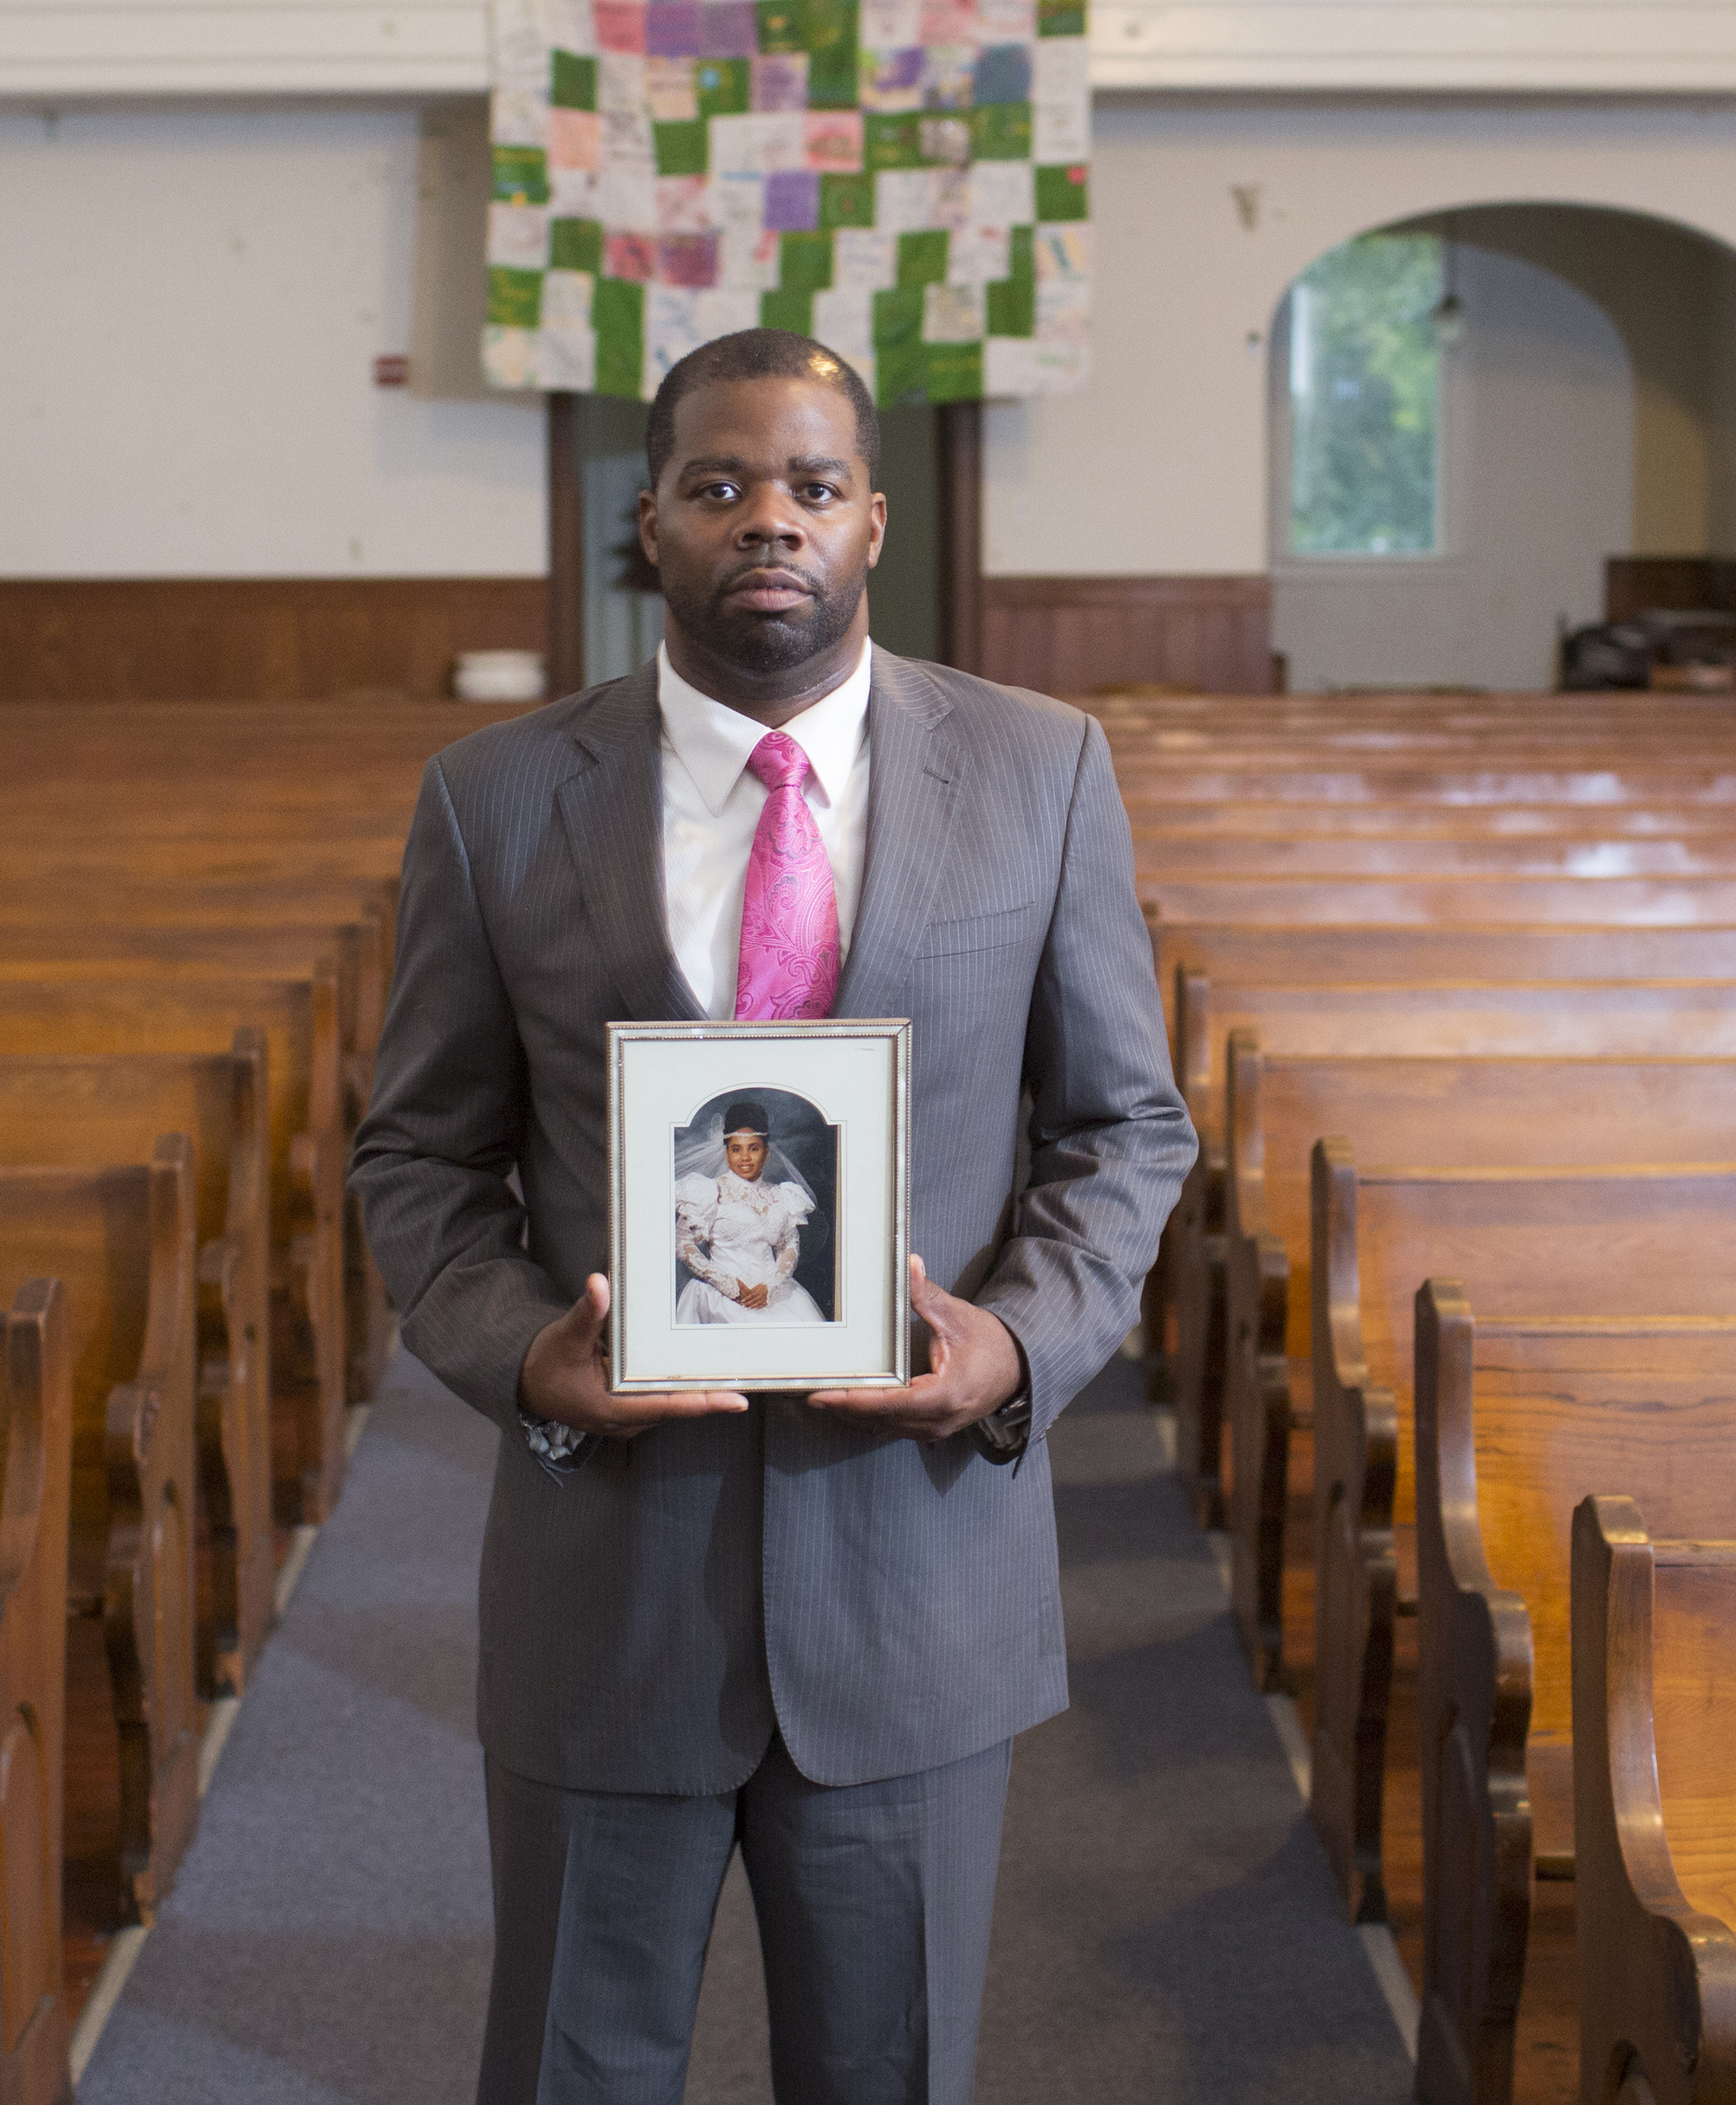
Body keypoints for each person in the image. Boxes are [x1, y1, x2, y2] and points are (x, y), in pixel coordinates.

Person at [350, 327, 1195, 2105]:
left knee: (884, 2078)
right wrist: (525, 1356)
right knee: (576, 2069)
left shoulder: (1040, 772)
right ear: (646, 520)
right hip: (614, 1583)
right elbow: (416, 1158)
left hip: (912, 1578)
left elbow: (1125, 1126)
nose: (768, 522)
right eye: (718, 487)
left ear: (873, 520)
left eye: (811, 486)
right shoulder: (497, 799)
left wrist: (1018, 1337)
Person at [675, 1098, 823, 1324]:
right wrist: (725, 1283)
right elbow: (683, 1244)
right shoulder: (709, 1192)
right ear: (726, 1153)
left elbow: (788, 1245)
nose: (745, 1157)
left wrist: (771, 1286)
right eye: (736, 1149)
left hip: (772, 1292)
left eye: (753, 1148)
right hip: (723, 1296)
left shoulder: (782, 1196)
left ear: (766, 1153)